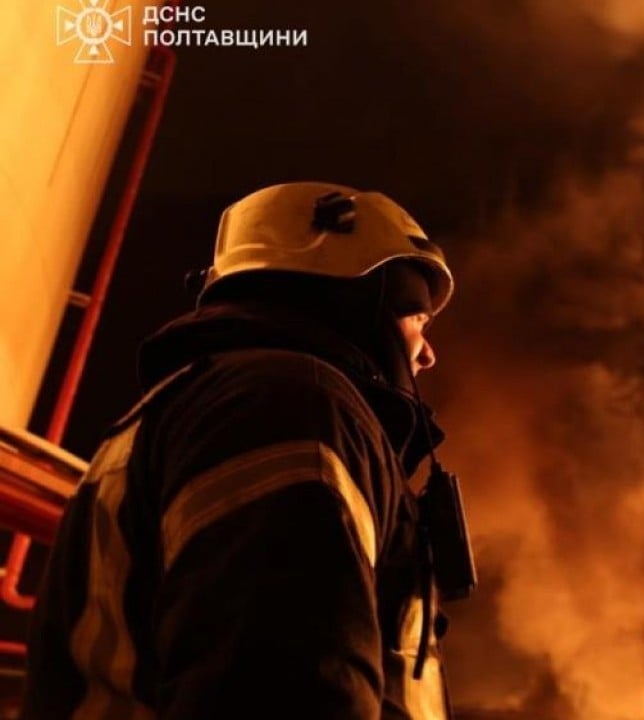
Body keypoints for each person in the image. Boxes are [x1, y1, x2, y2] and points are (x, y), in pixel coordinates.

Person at [22, 182, 475, 719]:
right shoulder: (288, 406)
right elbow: (287, 687)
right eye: (418, 318)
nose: (427, 355)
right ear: (362, 299)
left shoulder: (225, 403)